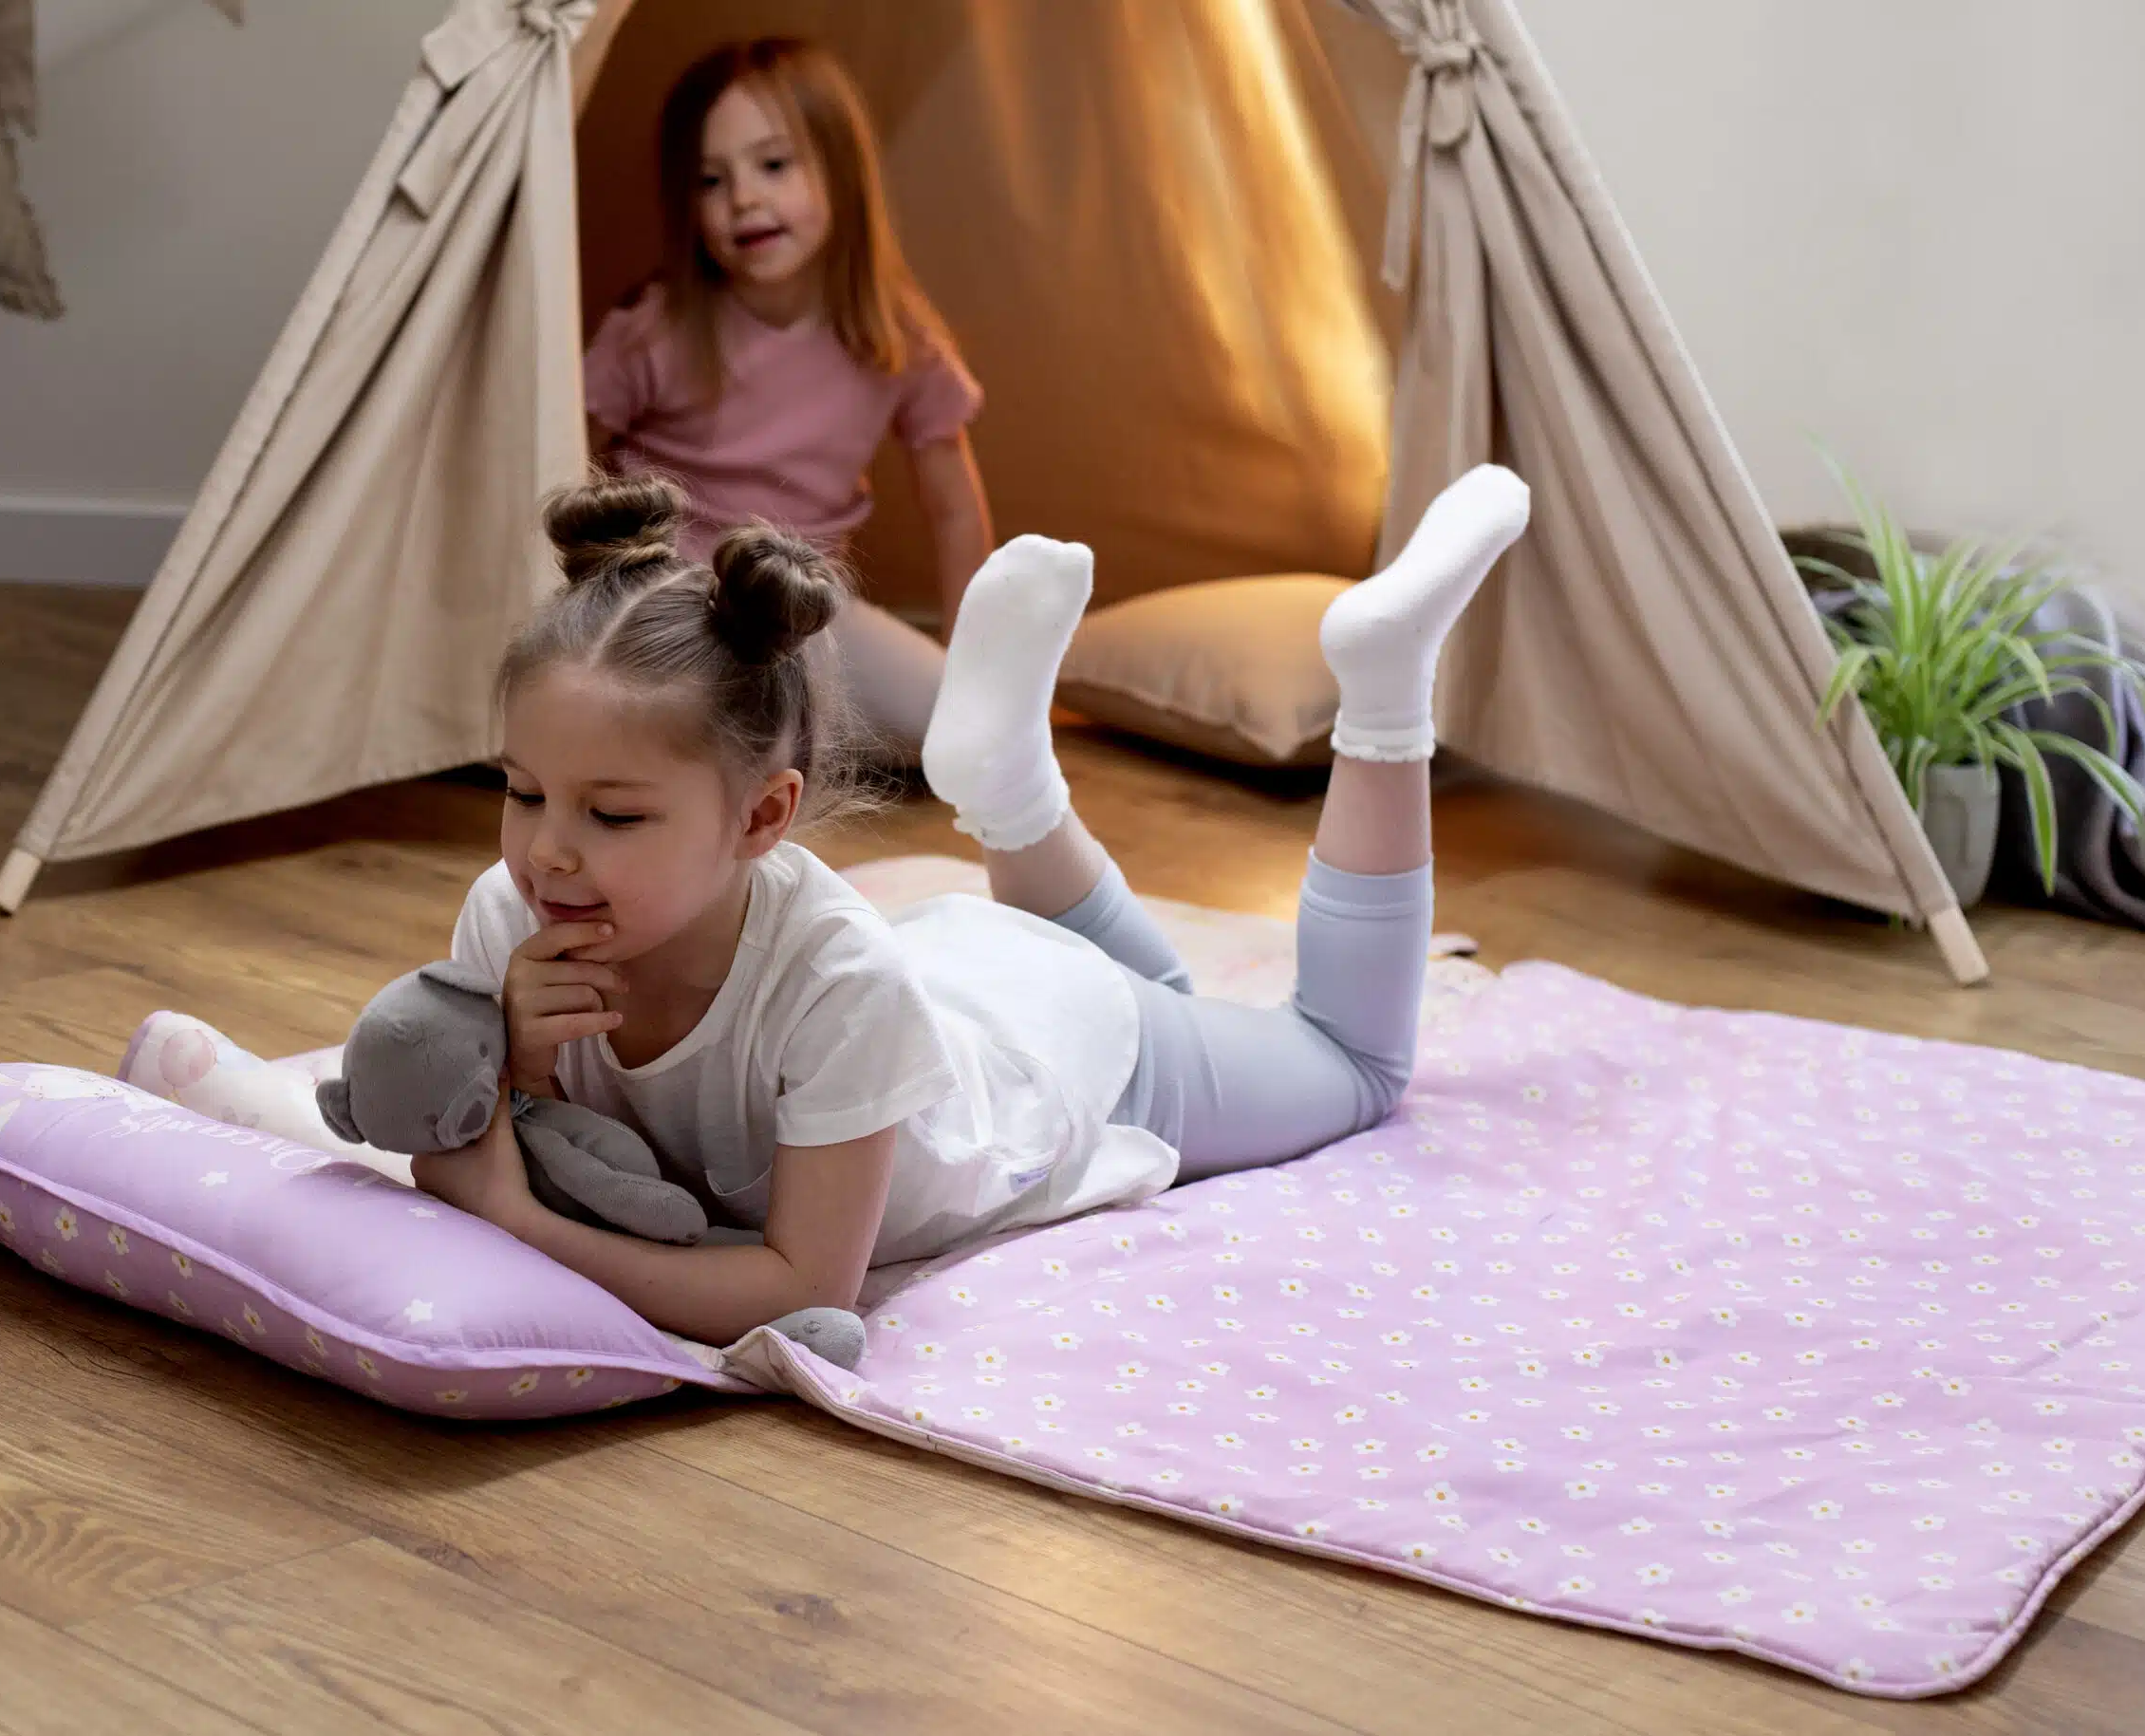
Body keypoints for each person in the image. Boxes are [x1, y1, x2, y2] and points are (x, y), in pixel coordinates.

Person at [413, 466, 1532, 1350]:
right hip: (955, 980)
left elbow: (802, 1286)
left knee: (1353, 1065)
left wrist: (519, 1223)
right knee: (1173, 992)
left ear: (763, 816)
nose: (547, 849)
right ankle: (1003, 785)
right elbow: (545, 1142)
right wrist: (523, 1061)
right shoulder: (510, 916)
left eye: (612, 813)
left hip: (1062, 1044)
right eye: (522, 790)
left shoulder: (836, 985)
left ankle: (1385, 688)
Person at [584, 37, 987, 754]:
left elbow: (955, 509)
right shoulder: (657, 328)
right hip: (667, 601)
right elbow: (561, 463)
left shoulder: (895, 335)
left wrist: (973, 663)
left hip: (804, 607)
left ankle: (767, 737)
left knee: (955, 727)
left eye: (774, 165)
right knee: (696, 719)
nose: (743, 199)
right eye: (711, 181)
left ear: (842, 173)